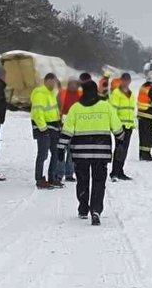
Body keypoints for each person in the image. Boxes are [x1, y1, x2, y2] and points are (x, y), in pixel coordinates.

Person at [59, 79, 123, 225]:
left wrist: (60, 148)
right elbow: (118, 129)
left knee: (82, 181)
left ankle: (83, 208)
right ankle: (96, 210)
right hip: (101, 153)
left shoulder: (75, 108)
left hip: (81, 154)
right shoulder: (106, 107)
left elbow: (67, 130)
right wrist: (120, 142)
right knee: (99, 182)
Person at [30, 73, 63, 189]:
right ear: (46, 81)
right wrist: (43, 129)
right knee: (42, 154)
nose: (53, 84)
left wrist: (59, 123)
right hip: (43, 129)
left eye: (54, 82)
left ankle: (52, 177)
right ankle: (39, 179)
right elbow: (37, 113)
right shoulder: (40, 93)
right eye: (52, 82)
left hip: (53, 128)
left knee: (55, 153)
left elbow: (54, 111)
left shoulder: (51, 93)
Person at [109, 72, 136, 180]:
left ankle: (120, 170)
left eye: (128, 80)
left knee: (124, 150)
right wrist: (115, 126)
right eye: (124, 80)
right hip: (120, 126)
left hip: (129, 126)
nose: (126, 83)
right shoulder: (116, 93)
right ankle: (115, 172)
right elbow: (113, 111)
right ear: (122, 81)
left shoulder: (130, 94)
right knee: (119, 149)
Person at [58, 78, 82, 182]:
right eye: (70, 84)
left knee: (71, 151)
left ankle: (69, 174)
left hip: (75, 125)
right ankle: (59, 173)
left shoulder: (81, 94)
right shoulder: (62, 93)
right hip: (62, 124)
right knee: (61, 149)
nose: (72, 86)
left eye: (74, 84)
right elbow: (56, 106)